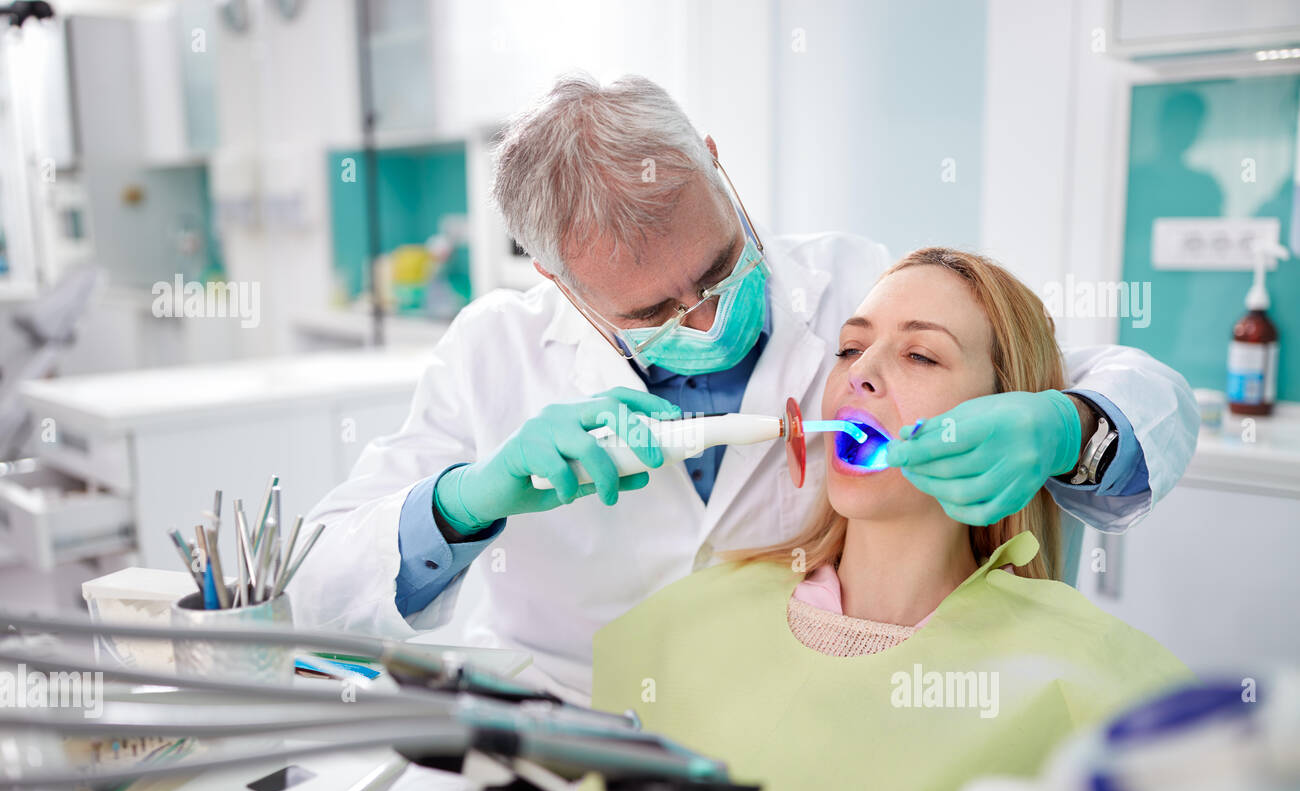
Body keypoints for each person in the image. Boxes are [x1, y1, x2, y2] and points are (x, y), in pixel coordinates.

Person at [290, 74, 1198, 704]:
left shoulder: (858, 294)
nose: (706, 316)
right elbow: (314, 589)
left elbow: (1122, 384)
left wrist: (1070, 425)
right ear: (561, 284)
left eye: (721, 269)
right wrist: (463, 502)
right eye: (655, 308)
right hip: (549, 731)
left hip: (785, 726)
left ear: (718, 165)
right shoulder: (493, 352)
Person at [588, 248, 1194, 791]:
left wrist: (1067, 426)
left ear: (1000, 411)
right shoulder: (688, 620)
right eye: (849, 349)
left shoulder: (1079, 673)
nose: (861, 373)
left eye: (921, 355)